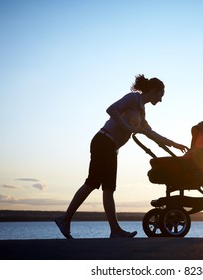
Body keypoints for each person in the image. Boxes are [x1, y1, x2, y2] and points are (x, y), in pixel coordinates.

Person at [55, 74, 188, 238]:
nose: (160, 100)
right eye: (160, 95)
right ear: (154, 91)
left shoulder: (141, 113)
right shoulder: (133, 98)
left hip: (111, 147)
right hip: (103, 141)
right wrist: (127, 127)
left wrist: (175, 144)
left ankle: (114, 230)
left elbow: (152, 134)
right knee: (92, 183)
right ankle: (65, 218)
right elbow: (111, 109)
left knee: (109, 189)